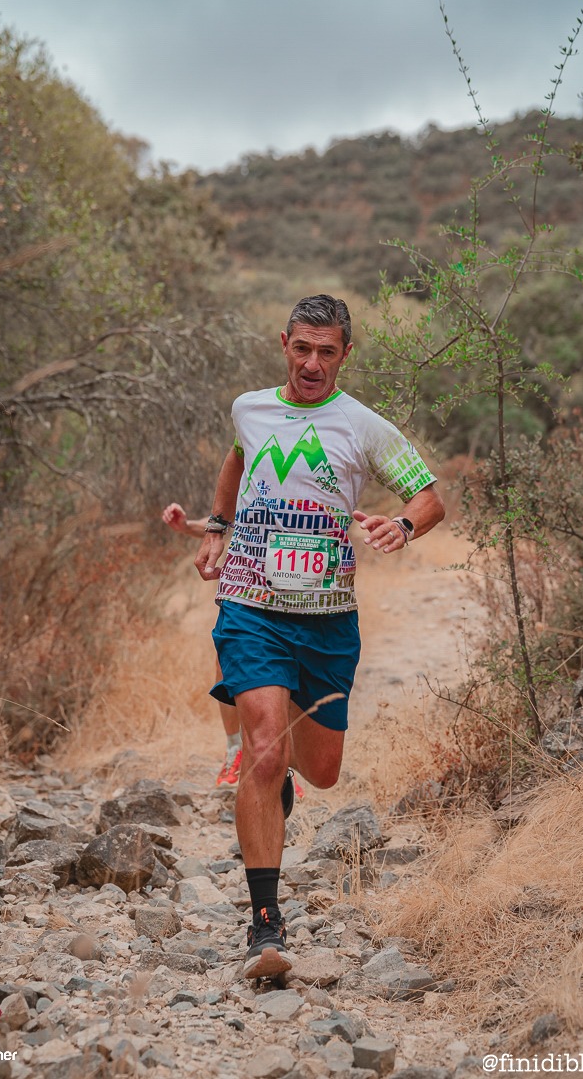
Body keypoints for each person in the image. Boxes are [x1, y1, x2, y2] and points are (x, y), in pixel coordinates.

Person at [195, 294, 445, 980]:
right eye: (301, 348)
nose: (311, 363)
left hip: (328, 621)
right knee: (264, 749)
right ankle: (265, 924)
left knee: (322, 770)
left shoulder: (363, 426)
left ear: (344, 354)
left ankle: (277, 777)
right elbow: (237, 459)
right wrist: (218, 525)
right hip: (250, 606)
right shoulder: (250, 408)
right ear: (285, 343)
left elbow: (429, 497)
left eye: (325, 352)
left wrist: (404, 525)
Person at [162, 502, 306, 797]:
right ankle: (235, 752)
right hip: (246, 587)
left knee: (290, 668)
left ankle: (283, 762)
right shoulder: (253, 477)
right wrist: (187, 526)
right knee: (228, 660)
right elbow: (226, 521)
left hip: (300, 590)